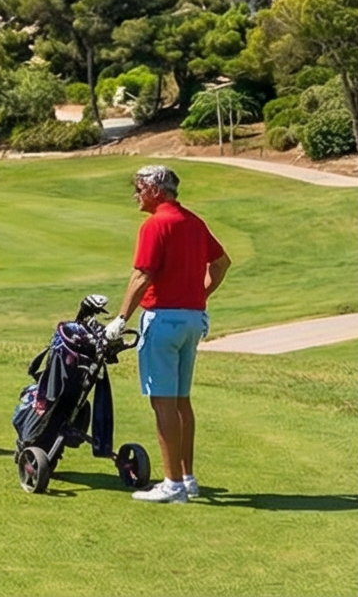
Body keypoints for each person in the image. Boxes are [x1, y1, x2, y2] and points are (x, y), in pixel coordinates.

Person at [115, 165, 229, 503]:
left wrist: (121, 319)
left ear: (154, 190)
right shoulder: (193, 222)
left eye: (139, 188)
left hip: (162, 321)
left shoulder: (155, 224)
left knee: (162, 400)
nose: (136, 195)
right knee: (180, 400)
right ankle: (187, 478)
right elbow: (221, 264)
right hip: (193, 320)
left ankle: (173, 485)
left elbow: (142, 277)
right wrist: (199, 296)